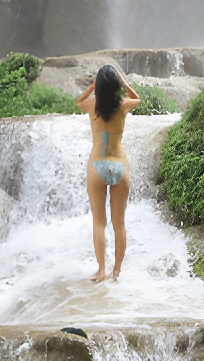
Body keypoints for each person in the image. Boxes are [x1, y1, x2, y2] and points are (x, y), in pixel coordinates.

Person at [75, 64, 141, 282]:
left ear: (99, 86)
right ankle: (116, 272)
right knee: (119, 223)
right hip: (119, 166)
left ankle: (101, 271)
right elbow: (137, 98)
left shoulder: (91, 104)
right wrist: (125, 83)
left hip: (97, 166)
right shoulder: (123, 104)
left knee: (99, 222)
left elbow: (78, 102)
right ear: (116, 84)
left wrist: (91, 87)